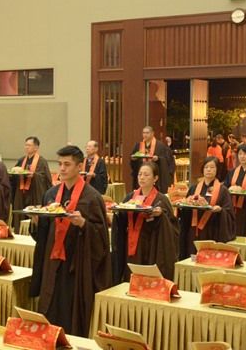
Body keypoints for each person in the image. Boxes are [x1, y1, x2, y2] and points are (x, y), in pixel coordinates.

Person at [29, 145, 112, 336]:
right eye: (60, 164)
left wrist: (83, 224)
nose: (62, 168)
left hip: (77, 264)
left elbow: (101, 239)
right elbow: (42, 235)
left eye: (67, 164)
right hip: (52, 261)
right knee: (50, 308)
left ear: (79, 166)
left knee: (70, 313)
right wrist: (36, 221)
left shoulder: (91, 198)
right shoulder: (51, 194)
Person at [112, 162, 178, 283]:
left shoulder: (161, 199)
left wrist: (161, 216)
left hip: (151, 246)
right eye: (140, 174)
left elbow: (173, 227)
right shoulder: (130, 197)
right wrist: (117, 212)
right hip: (130, 245)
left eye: (146, 175)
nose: (142, 177)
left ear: (155, 178)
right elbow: (122, 218)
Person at [177, 157, 236, 259]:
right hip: (193, 231)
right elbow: (186, 209)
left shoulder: (223, 190)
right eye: (206, 167)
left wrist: (221, 210)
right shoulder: (194, 188)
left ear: (217, 170)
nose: (209, 170)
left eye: (212, 167)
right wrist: (181, 206)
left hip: (212, 230)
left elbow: (229, 213)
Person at [11, 137, 53, 230]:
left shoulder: (42, 161)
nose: (26, 147)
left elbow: (45, 178)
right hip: (21, 193)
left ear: (36, 148)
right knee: (20, 216)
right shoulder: (22, 160)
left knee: (33, 218)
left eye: (29, 145)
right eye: (25, 145)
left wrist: (34, 175)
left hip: (34, 193)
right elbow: (14, 173)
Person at [129, 126, 174, 193]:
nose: (145, 135)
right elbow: (133, 160)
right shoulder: (138, 145)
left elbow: (168, 160)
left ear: (152, 133)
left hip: (155, 175)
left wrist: (158, 159)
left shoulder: (160, 146)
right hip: (142, 174)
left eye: (147, 133)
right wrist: (133, 159)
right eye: (144, 133)